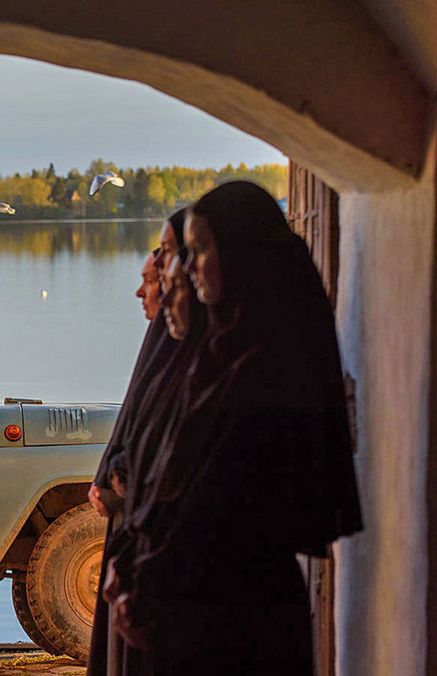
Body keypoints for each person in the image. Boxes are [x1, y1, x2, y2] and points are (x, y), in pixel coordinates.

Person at [111, 181, 362, 674]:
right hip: (191, 617)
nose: (186, 266)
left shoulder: (267, 373)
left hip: (237, 625)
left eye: (201, 250)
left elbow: (220, 510)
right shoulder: (214, 362)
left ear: (245, 257)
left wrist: (153, 578)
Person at [86, 210, 186, 676]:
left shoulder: (190, 351)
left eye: (157, 276)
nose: (143, 291)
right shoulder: (162, 345)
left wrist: (127, 478)